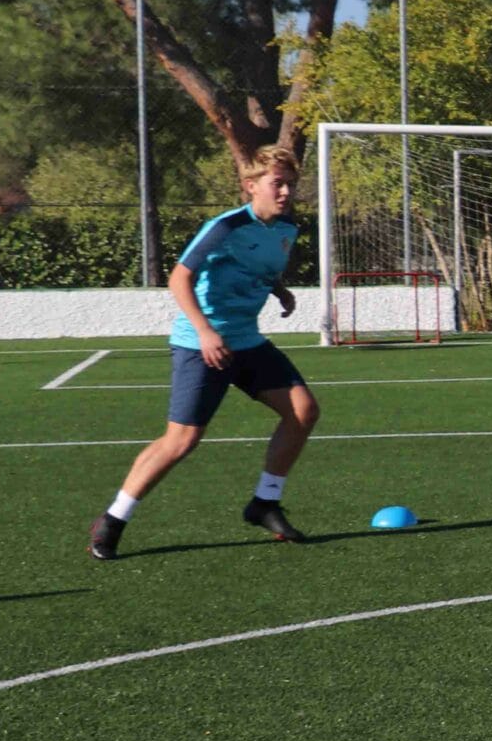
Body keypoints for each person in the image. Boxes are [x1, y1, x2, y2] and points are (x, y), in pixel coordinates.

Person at [89, 144, 321, 560]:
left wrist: (278, 289)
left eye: (290, 184)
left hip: (247, 341)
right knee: (182, 440)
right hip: (202, 344)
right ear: (251, 186)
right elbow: (179, 279)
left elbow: (257, 269)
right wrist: (204, 331)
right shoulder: (225, 226)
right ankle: (113, 519)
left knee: (303, 410)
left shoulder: (287, 230)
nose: (286, 192)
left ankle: (264, 503)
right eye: (277, 184)